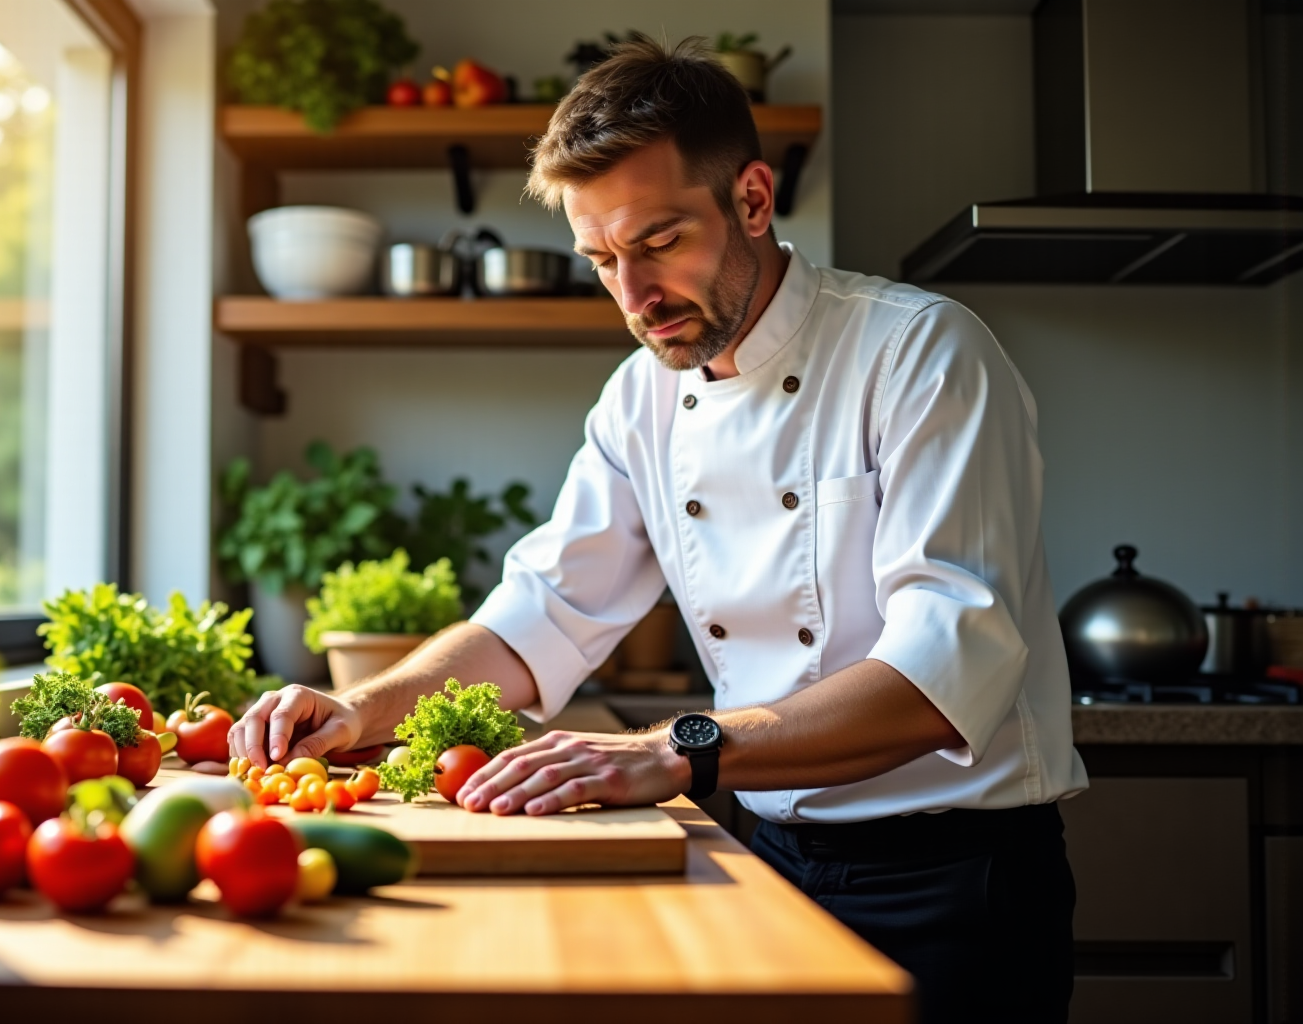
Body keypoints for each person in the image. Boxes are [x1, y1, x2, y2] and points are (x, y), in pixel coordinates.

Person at [227, 33, 1085, 1024]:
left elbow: (944, 675)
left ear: (752, 200)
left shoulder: (920, 354)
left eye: (659, 243)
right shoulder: (641, 398)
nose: (632, 299)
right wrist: (360, 710)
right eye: (601, 260)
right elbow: (539, 615)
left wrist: (671, 750)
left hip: (954, 883)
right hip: (766, 853)